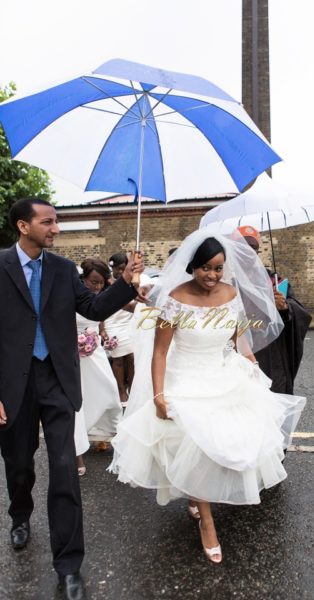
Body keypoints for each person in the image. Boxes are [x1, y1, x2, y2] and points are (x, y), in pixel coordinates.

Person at [110, 230, 306, 564]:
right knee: (197, 446)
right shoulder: (174, 299)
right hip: (185, 380)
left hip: (224, 376)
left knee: (231, 446)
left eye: (217, 268)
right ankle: (208, 521)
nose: (212, 276)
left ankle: (197, 495)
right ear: (192, 267)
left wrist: (254, 368)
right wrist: (158, 395)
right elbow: (160, 354)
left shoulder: (231, 294)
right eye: (205, 268)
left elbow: (239, 341)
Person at [0, 198, 144, 600]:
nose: (56, 228)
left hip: (58, 380)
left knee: (65, 467)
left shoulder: (63, 271)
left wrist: (126, 282)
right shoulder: (0, 266)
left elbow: (95, 308)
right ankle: (20, 513)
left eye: (57, 221)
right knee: (19, 463)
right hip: (12, 384)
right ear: (23, 226)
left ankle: (68, 566)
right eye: (48, 222)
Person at [237, 225, 312, 394]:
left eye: (253, 248)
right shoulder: (226, 279)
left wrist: (284, 308)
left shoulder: (272, 279)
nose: (248, 252)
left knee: (272, 397)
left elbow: (296, 308)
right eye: (243, 247)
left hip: (269, 351)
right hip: (238, 349)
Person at [74, 258, 123, 476]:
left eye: (102, 283)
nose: (97, 287)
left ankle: (107, 437)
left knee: (110, 392)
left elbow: (99, 315)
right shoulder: (70, 296)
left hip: (96, 353)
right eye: (93, 281)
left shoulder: (99, 296)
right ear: (83, 278)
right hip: (73, 357)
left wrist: (101, 332)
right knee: (78, 405)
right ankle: (76, 455)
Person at [105, 253, 136, 407]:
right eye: (117, 269)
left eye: (122, 269)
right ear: (112, 268)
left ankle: (132, 388)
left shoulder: (133, 281)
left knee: (131, 357)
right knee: (118, 359)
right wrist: (102, 328)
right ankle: (121, 391)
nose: (119, 272)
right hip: (112, 321)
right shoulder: (107, 283)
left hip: (128, 321)